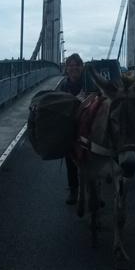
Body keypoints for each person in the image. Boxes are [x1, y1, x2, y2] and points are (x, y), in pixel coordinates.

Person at [57, 53, 85, 204]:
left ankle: (94, 190)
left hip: (89, 125)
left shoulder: (89, 82)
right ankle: (73, 190)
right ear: (67, 68)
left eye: (77, 65)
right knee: (70, 156)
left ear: (82, 67)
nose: (74, 68)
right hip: (72, 127)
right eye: (71, 66)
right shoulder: (63, 85)